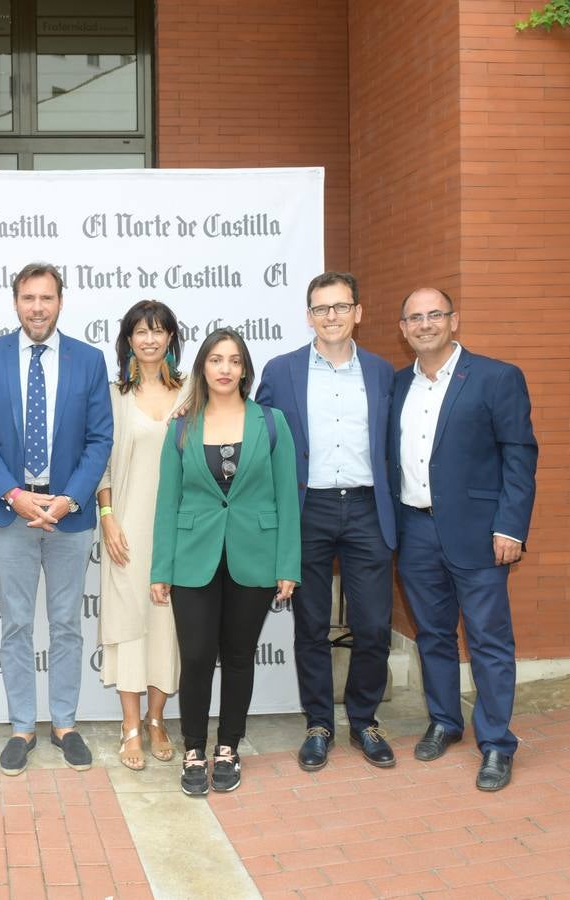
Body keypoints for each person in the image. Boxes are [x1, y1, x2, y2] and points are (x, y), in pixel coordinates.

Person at [0, 261, 113, 776]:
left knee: (67, 624)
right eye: (28, 298)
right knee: (17, 624)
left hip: (68, 514)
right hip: (12, 515)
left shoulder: (89, 361)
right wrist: (13, 494)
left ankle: (65, 724)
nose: (37, 307)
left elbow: (100, 440)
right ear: (16, 303)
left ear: (61, 302)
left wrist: (68, 499)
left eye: (46, 298)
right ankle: (22, 726)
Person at [390, 287, 538, 792]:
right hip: (415, 529)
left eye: (435, 315)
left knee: (488, 640)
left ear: (455, 321)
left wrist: (511, 527)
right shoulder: (396, 387)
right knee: (432, 634)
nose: (425, 324)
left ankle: (496, 743)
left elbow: (519, 457)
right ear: (404, 328)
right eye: (416, 318)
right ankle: (445, 721)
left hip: (480, 533)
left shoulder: (497, 378)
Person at [255, 272, 398, 772]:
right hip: (306, 509)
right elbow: (261, 444)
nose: (331, 316)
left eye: (340, 307)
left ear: (359, 311)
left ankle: (364, 720)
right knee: (310, 625)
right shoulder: (282, 370)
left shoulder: (383, 373)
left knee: (374, 624)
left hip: (366, 508)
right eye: (321, 308)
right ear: (308, 315)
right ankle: (319, 723)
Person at [151, 327, 300, 795]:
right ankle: (194, 747)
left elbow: (286, 498)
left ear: (244, 369)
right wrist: (161, 570)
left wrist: (288, 565)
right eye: (216, 360)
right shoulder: (181, 427)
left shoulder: (271, 423)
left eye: (234, 361)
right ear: (202, 367)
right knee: (196, 657)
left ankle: (228, 746)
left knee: (238, 658)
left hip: (253, 558)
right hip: (193, 559)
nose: (225, 369)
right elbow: (167, 504)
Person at [96, 300, 185, 770]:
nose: (149, 339)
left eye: (158, 331)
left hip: (180, 532)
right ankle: (130, 727)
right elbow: (102, 463)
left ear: (171, 337)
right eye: (140, 332)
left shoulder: (192, 392)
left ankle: (156, 720)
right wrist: (108, 517)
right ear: (128, 340)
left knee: (167, 627)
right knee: (129, 628)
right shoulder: (114, 395)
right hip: (126, 529)